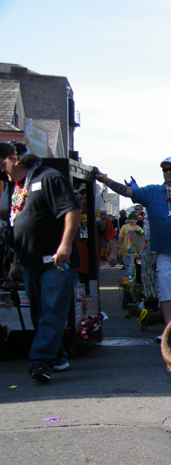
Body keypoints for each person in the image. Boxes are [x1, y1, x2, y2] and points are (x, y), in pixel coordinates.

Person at [94, 157, 171, 342]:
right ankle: (169, 329)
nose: (168, 172)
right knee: (166, 292)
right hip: (164, 252)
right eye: (164, 170)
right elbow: (126, 191)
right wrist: (104, 180)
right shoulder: (153, 192)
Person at [1, 141, 80, 382]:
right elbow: (17, 226)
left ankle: (41, 362)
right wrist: (16, 262)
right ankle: (57, 357)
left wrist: (65, 245)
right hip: (29, 262)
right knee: (39, 314)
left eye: (2, 161)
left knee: (52, 311)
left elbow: (72, 210)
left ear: (14, 158)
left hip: (55, 261)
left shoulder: (49, 178)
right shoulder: (14, 187)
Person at [76, 184, 118, 288]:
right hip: (70, 264)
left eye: (88, 192)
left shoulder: (100, 215)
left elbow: (110, 235)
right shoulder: (71, 211)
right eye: (82, 193)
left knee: (90, 295)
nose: (85, 195)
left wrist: (113, 253)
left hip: (90, 265)